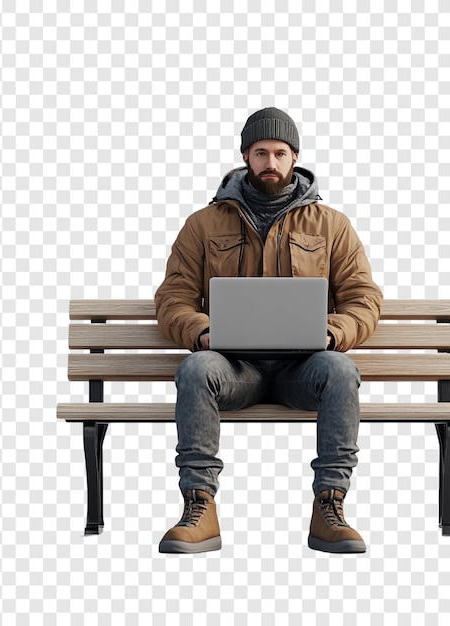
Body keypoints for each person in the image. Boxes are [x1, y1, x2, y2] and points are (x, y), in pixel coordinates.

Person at [154, 107, 383, 554]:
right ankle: (198, 506)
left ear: (295, 157)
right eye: (261, 152)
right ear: (244, 156)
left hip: (303, 370)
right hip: (236, 370)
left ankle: (329, 507)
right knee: (197, 367)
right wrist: (202, 331)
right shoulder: (203, 225)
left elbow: (364, 299)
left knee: (340, 369)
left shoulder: (332, 226)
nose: (270, 163)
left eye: (280, 152)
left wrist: (332, 333)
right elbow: (173, 298)